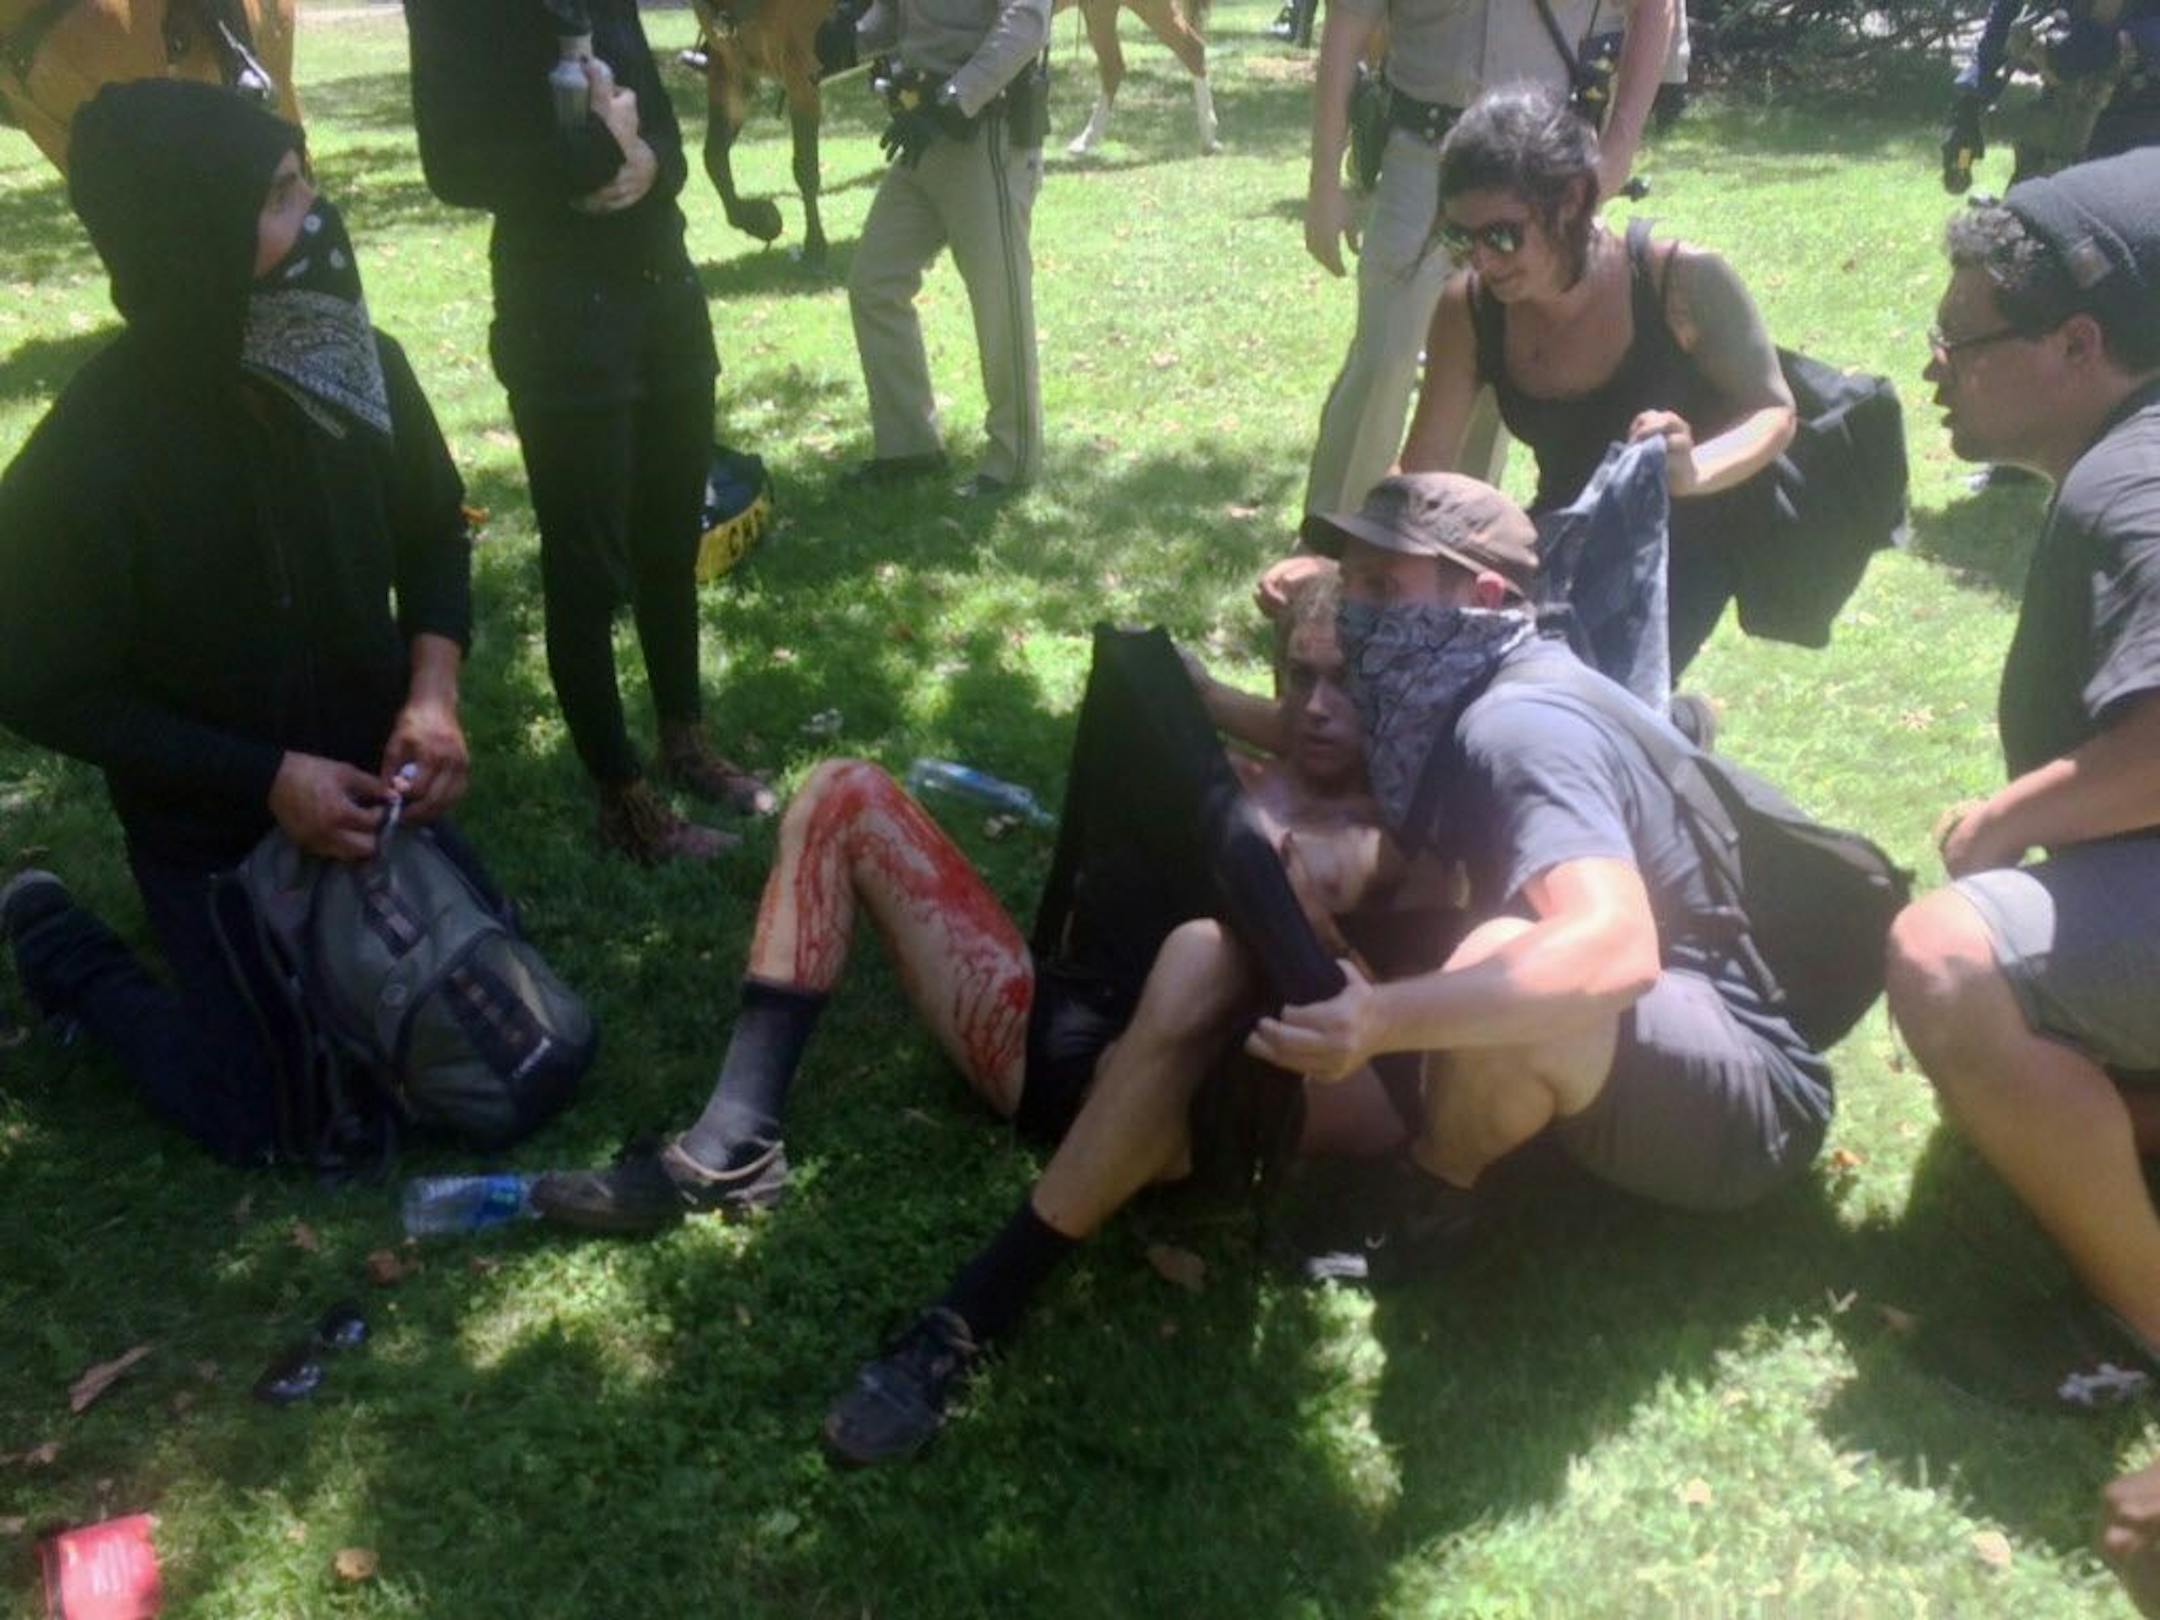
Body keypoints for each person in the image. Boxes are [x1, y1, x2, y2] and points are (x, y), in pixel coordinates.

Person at [534, 566, 1464, 1460]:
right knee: (843, 789)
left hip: (1194, 1119)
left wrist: (1312, 925)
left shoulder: (1402, 842)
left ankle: (977, 1312)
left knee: (1207, 952)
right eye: (1298, 676)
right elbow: (1216, 719)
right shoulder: (1215, 777)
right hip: (1051, 1041)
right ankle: (737, 1138)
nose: (1315, 706)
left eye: (1344, 682)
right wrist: (1204, 706)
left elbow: (1376, 993)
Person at [0, 81, 479, 1164]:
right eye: (275, 196)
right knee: (278, 1120)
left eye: (306, 180)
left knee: (465, 1042)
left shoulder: (357, 363)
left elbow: (435, 533)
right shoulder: (97, 448)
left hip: (371, 800)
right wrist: (262, 776)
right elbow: (35, 678)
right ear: (187, 232)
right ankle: (63, 944)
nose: (316, 216)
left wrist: (434, 696)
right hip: (216, 830)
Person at [1249, 473, 1832, 1277]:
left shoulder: (1516, 725)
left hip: (1745, 1095)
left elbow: (1614, 948)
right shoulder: (1462, 681)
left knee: (1509, 948)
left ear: (1484, 596)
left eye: (1386, 589)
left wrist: (1381, 1019)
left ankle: (1428, 1202)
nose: (1358, 618)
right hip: (1671, 1042)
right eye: (1351, 584)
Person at [1884, 148, 2160, 1402]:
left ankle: (2144, 1322)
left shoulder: (2130, 492)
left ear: (2076, 345)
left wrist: (2006, 819)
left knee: (1949, 960)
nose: (1933, 367)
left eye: (1961, 339)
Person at [405, 0, 775, 865]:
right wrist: (592, 154)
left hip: (665, 293)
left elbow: (664, 133)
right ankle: (624, 798)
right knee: (586, 564)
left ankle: (685, 740)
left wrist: (650, 163)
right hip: (561, 316)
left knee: (668, 536)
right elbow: (451, 165)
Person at [1394, 85, 1795, 677]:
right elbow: (1425, 468)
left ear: (1572, 200)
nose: (1481, 258)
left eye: (1502, 235)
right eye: (1461, 237)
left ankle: (1667, 731)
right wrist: (1340, 557)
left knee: (1596, 694)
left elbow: (1772, 410)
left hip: (1691, 537)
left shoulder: (1682, 280)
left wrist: (1692, 471)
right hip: (1568, 528)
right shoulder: (1469, 309)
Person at [1298, 0, 1675, 523]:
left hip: (1536, 174)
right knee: (1384, 362)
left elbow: (1653, 11)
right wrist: (1323, 183)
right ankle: (1336, 550)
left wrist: (1620, 147)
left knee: (1498, 378)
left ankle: (1455, 555)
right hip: (1421, 157)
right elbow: (1349, 22)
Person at [843, 0, 1051, 497]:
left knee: (1000, 304)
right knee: (874, 283)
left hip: (986, 134)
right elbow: (895, 15)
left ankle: (1014, 460)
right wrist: (846, 40)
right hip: (921, 131)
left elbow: (1025, 22)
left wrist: (953, 100)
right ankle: (909, 446)